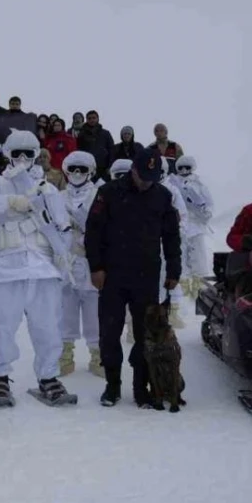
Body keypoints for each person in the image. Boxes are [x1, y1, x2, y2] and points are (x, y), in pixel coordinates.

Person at [0, 130, 77, 408]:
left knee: (48, 328)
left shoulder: (48, 188)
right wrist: (9, 201)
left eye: (27, 154)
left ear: (35, 156)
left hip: (43, 269)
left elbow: (63, 227)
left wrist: (62, 254)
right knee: (3, 327)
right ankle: (1, 378)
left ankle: (49, 378)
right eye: (15, 154)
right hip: (6, 268)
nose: (21, 159)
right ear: (7, 154)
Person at [85, 149, 181, 409]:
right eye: (142, 176)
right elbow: (92, 233)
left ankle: (141, 389)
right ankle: (112, 386)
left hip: (146, 276)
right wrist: (96, 268)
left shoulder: (163, 197)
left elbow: (171, 236)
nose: (146, 182)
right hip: (112, 275)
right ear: (133, 170)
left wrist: (174, 269)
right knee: (109, 333)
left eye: (152, 178)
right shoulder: (108, 193)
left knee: (145, 334)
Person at [58, 151, 103, 378]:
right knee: (66, 309)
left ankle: (97, 355)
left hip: (90, 260)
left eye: (82, 169)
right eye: (73, 169)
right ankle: (65, 354)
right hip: (66, 260)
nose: (77, 174)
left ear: (90, 172)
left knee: (94, 311)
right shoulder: (57, 196)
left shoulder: (99, 194)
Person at [172, 155, 214, 299]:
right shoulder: (172, 183)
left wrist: (203, 210)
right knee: (181, 261)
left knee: (199, 261)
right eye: (181, 168)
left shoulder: (199, 183)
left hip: (196, 227)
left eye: (187, 167)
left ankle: (198, 293)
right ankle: (183, 294)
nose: (184, 170)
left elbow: (209, 204)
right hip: (180, 228)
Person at [158, 158, 190, 329]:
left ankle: (174, 312)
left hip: (168, 243)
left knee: (171, 276)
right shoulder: (144, 189)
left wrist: (177, 235)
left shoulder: (172, 191)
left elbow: (183, 217)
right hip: (149, 243)